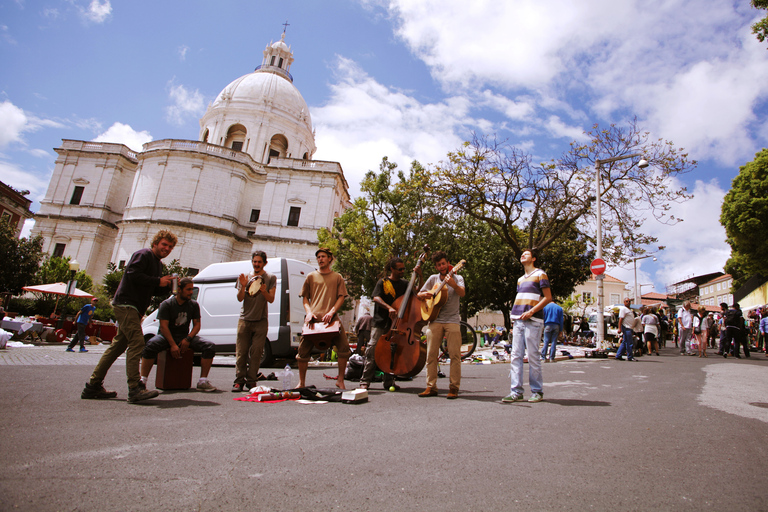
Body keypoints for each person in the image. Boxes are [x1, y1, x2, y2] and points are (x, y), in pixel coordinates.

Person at [81, 230, 177, 403]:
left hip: (135, 307)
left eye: (170, 247)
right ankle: (135, 388)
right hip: (126, 304)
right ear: (155, 243)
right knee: (137, 343)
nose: (167, 248)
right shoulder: (143, 254)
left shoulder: (158, 264)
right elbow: (133, 274)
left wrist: (166, 286)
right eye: (164, 244)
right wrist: (157, 281)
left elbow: (150, 288)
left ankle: (93, 385)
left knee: (117, 347)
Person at [139, 277, 218, 391]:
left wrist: (188, 339)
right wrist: (173, 345)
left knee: (209, 346)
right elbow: (163, 327)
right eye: (188, 289)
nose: (191, 292)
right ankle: (142, 381)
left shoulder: (193, 305)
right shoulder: (167, 304)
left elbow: (197, 325)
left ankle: (202, 381)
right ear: (179, 290)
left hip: (183, 336)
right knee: (150, 345)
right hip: (166, 337)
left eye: (192, 289)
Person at [296, 248, 352, 390]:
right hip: (313, 320)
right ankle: (301, 383)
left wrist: (332, 311)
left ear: (329, 259)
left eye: (323, 257)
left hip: (332, 320)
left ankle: (340, 380)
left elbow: (341, 297)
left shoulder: (337, 277)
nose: (320, 259)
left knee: (344, 348)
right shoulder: (310, 276)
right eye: (318, 257)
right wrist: (308, 313)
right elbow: (305, 299)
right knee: (302, 352)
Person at [502, 248, 551, 403]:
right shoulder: (520, 279)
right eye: (522, 254)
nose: (522, 255)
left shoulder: (540, 274)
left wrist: (532, 311)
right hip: (518, 320)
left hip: (534, 321)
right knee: (515, 356)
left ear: (534, 258)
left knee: (533, 356)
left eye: (526, 254)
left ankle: (537, 391)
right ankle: (516, 392)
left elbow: (548, 297)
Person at [417, 251, 465, 399]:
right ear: (436, 266)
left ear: (448, 263)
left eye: (443, 263)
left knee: (455, 355)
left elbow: (462, 293)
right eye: (438, 265)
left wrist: (454, 285)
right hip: (435, 320)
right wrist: (425, 295)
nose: (441, 266)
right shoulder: (433, 279)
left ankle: (454, 388)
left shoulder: (458, 277)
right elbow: (419, 294)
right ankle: (431, 387)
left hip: (452, 321)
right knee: (431, 355)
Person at [360, 257, 412, 390]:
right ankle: (365, 381)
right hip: (380, 323)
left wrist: (419, 275)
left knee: (391, 353)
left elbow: (416, 292)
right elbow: (376, 297)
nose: (402, 271)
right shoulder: (382, 282)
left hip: (396, 324)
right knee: (372, 351)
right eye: (400, 269)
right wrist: (388, 307)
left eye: (404, 269)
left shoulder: (405, 284)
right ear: (392, 269)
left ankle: (389, 382)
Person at [232, 251, 276, 392]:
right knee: (241, 352)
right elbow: (239, 298)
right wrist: (243, 286)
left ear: (264, 263)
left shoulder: (270, 277)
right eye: (254, 261)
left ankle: (251, 381)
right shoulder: (244, 277)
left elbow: (271, 299)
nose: (256, 264)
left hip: (261, 320)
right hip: (244, 319)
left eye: (259, 262)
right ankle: (239, 381)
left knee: (256, 353)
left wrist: (264, 291)